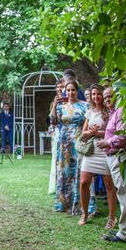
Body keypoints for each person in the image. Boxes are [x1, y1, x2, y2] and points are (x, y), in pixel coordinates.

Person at [96, 86, 126, 243]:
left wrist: (106, 142)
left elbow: (122, 138)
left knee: (125, 193)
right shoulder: (115, 113)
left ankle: (125, 233)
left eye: (110, 96)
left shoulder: (120, 112)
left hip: (120, 156)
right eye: (105, 97)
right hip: (116, 156)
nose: (107, 100)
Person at [78, 84, 117, 228]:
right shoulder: (89, 112)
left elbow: (111, 132)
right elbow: (83, 133)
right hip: (91, 150)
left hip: (105, 149)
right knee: (83, 182)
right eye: (93, 94)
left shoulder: (110, 111)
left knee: (109, 185)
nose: (96, 97)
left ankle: (112, 218)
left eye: (98, 94)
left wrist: (95, 132)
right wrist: (89, 133)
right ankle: (84, 213)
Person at [51, 79, 89, 214]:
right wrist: (55, 106)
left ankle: (79, 204)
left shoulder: (85, 106)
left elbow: (88, 123)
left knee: (79, 171)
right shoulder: (61, 106)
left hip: (79, 141)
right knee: (65, 171)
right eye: (68, 90)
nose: (71, 92)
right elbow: (54, 122)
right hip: (64, 142)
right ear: (64, 92)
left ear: (77, 91)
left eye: (73, 90)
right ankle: (63, 203)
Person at [48, 79, 63, 194]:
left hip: (67, 133)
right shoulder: (54, 102)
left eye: (61, 87)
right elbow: (52, 121)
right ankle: (56, 185)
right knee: (56, 159)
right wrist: (54, 105)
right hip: (57, 133)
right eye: (57, 87)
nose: (59, 89)